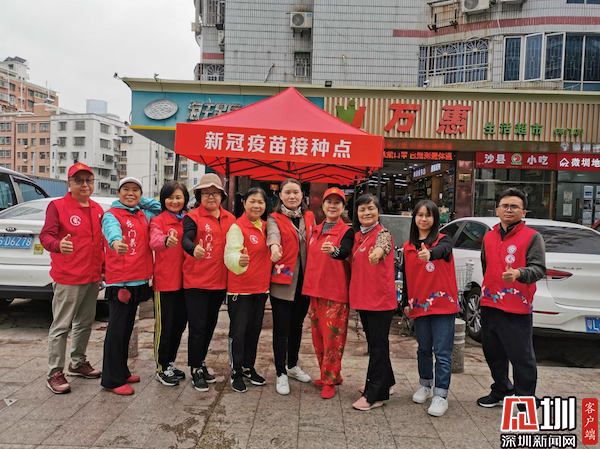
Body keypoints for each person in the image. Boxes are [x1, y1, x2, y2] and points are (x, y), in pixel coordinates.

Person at [477, 188, 546, 409]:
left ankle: (525, 398)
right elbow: (486, 266)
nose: (509, 210)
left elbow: (539, 269)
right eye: (505, 206)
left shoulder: (532, 237)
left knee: (521, 357)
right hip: (490, 304)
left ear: (523, 212)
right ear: (497, 210)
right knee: (493, 353)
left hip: (516, 307)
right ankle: (502, 389)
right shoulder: (489, 236)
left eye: (514, 206)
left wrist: (518, 273)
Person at [40, 163, 104, 394]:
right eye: (79, 180)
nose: (84, 185)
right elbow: (46, 236)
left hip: (92, 276)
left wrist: (104, 268)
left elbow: (100, 243)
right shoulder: (57, 206)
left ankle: (77, 363)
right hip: (68, 276)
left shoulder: (97, 208)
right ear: (69, 184)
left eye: (88, 180)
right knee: (61, 325)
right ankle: (54, 373)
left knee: (85, 322)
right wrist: (59, 245)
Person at [101, 177, 161, 395]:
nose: (130, 193)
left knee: (126, 330)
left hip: (138, 279)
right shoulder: (111, 215)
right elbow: (111, 231)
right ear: (118, 193)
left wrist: (139, 200)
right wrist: (116, 242)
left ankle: (122, 371)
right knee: (116, 331)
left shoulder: (142, 214)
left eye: (135, 190)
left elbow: (160, 207)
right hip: (121, 281)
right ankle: (112, 379)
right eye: (125, 189)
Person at [402, 199, 458, 417]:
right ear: (414, 218)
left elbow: (443, 251)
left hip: (443, 306)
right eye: (420, 215)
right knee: (423, 349)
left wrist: (430, 254)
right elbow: (407, 277)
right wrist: (405, 303)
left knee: (442, 352)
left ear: (435, 219)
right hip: (420, 305)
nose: (423, 219)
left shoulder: (444, 241)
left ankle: (441, 395)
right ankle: (425, 384)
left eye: (428, 215)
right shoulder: (408, 247)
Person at [181, 173, 236, 392]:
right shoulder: (192, 217)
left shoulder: (230, 218)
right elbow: (186, 238)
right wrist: (193, 248)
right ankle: (195, 368)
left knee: (210, 326)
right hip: (196, 282)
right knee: (197, 327)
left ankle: (201, 361)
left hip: (219, 282)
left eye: (214, 193)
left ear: (222, 195)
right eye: (206, 193)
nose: (210, 197)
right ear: (199, 196)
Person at [302, 187, 354, 400]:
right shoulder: (315, 230)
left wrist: (334, 251)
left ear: (343, 207)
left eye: (337, 202)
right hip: (315, 290)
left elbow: (345, 251)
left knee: (333, 339)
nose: (332, 206)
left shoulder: (346, 231)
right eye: (329, 202)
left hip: (335, 293)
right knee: (318, 337)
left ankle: (330, 380)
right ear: (322, 206)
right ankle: (330, 374)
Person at [267, 178, 315, 395]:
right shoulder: (274, 218)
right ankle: (280, 372)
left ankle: (292, 365)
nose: (292, 196)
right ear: (281, 196)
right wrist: (274, 248)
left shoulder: (309, 217)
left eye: (296, 192)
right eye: (287, 192)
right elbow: (273, 235)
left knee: (297, 326)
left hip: (305, 282)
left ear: (302, 195)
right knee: (281, 328)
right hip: (283, 282)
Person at [349, 194, 397, 411]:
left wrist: (376, 254)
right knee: (377, 344)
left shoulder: (382, 233)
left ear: (378, 211)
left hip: (379, 300)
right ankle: (387, 381)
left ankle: (375, 394)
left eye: (371, 208)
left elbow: (382, 247)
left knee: (377, 347)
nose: (366, 212)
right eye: (362, 209)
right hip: (365, 298)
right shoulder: (359, 235)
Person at [224, 187, 271, 393]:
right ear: (244, 203)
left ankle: (248, 367)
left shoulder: (266, 227)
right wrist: (239, 260)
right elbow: (230, 253)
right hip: (240, 289)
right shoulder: (237, 227)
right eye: (252, 201)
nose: (256, 205)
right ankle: (236, 371)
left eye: (260, 202)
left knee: (254, 330)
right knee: (239, 331)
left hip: (260, 289)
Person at [149, 181, 189, 387]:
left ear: (185, 199)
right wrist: (166, 241)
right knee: (164, 326)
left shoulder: (188, 220)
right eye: (170, 197)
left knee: (179, 325)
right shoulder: (158, 221)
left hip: (187, 282)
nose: (174, 201)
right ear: (163, 199)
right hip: (165, 282)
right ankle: (161, 366)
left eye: (178, 197)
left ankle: (170, 362)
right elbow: (154, 240)